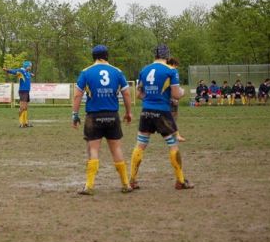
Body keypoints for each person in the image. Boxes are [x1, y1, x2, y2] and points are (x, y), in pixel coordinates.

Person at [129, 44, 194, 190]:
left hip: (146, 111)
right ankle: (180, 181)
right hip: (163, 112)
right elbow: (176, 94)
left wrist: (151, 98)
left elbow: (139, 94)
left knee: (140, 144)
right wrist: (182, 92)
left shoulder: (144, 70)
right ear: (167, 55)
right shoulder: (171, 71)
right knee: (172, 144)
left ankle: (132, 180)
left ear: (155, 55)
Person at [72, 45, 133, 195]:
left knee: (93, 150)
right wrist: (128, 112)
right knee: (116, 149)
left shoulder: (86, 72)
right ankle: (126, 184)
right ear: (107, 56)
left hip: (94, 116)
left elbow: (77, 95)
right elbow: (126, 94)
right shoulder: (117, 72)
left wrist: (75, 114)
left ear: (93, 57)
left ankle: (90, 186)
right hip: (112, 115)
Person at [3, 61, 34, 127]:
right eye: (29, 66)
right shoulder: (21, 71)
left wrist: (31, 74)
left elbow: (27, 74)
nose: (30, 67)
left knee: (25, 108)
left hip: (27, 91)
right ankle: (20, 123)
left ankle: (25, 123)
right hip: (22, 91)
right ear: (26, 66)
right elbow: (14, 71)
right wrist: (7, 70)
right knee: (22, 108)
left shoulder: (27, 72)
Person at [166, 57, 185, 142]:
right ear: (174, 64)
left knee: (171, 117)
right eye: (177, 65)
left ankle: (173, 133)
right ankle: (174, 135)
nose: (177, 67)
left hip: (166, 98)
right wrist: (180, 94)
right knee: (173, 117)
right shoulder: (172, 71)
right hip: (171, 97)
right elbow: (172, 87)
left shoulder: (164, 70)